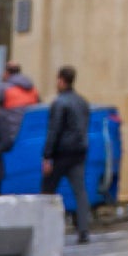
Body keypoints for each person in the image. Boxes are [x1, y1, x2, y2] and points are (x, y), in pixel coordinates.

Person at [42, 66, 93, 242]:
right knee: (80, 191)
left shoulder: (59, 103)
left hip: (62, 152)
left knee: (47, 190)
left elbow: (54, 131)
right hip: (79, 151)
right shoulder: (82, 102)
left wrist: (47, 155)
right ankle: (84, 229)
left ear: (61, 80)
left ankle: (44, 227)